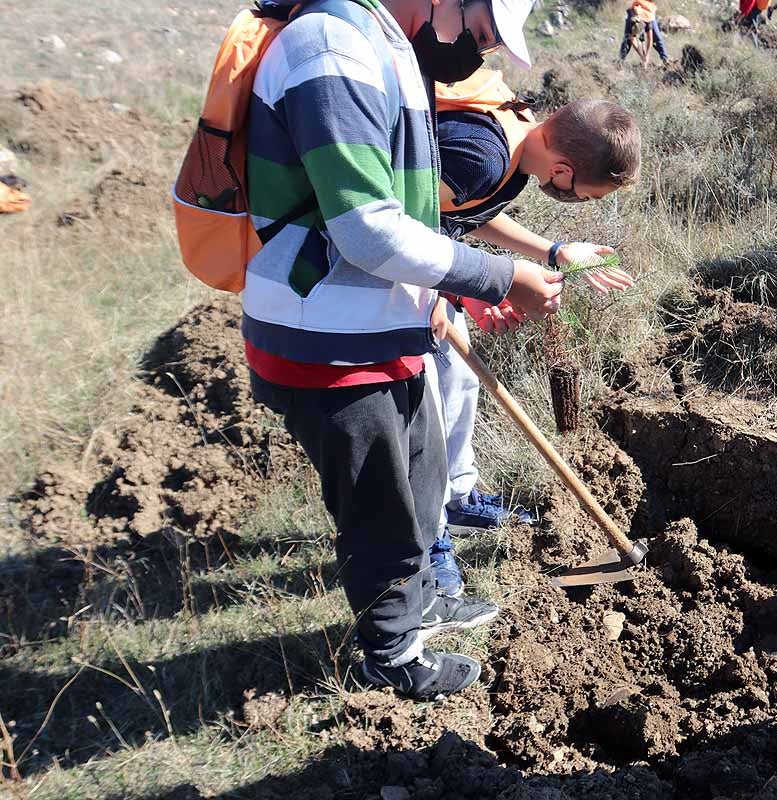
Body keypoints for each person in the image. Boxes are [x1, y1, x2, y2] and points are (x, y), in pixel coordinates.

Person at [242, 0, 563, 702]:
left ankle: (421, 607)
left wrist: (453, 293)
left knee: (421, 486)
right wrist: (499, 274)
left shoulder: (386, 46)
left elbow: (410, 215)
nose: (466, 51)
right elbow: (366, 230)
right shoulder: (332, 46)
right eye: (472, 32)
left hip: (383, 328)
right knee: (381, 512)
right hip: (326, 341)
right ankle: (393, 659)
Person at [425, 75, 640, 596]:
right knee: (423, 413)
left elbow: (466, 214)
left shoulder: (519, 140)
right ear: (563, 170)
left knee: (460, 382)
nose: (581, 203)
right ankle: (428, 544)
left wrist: (553, 251)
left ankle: (459, 497)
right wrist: (468, 287)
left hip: (429, 272)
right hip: (384, 278)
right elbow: (404, 222)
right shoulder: (484, 155)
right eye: (584, 196)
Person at [620, 0, 670, 64]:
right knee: (627, 39)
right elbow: (632, 38)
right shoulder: (632, 21)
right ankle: (620, 60)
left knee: (657, 37)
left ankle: (665, 59)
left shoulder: (649, 18)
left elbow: (650, 38)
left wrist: (647, 56)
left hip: (648, 9)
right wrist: (641, 55)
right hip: (635, 11)